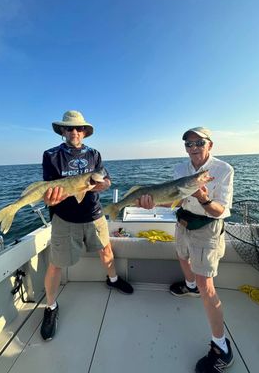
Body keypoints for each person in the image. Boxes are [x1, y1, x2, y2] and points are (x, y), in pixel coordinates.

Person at [137, 127, 234, 373]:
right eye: (188, 144)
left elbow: (221, 211)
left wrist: (203, 198)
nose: (193, 148)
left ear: (209, 145)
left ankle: (221, 346)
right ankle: (189, 287)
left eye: (198, 143)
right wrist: (151, 203)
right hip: (183, 222)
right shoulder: (181, 170)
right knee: (181, 256)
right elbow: (174, 200)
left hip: (207, 227)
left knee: (206, 284)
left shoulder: (224, 170)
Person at [40, 110, 133, 341]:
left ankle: (112, 280)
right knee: (55, 264)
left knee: (106, 250)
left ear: (84, 132)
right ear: (62, 131)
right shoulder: (50, 155)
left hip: (94, 214)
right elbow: (49, 189)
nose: (74, 132)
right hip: (64, 218)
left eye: (79, 128)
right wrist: (50, 198)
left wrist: (102, 186)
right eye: (69, 128)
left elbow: (106, 180)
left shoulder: (95, 154)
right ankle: (50, 307)